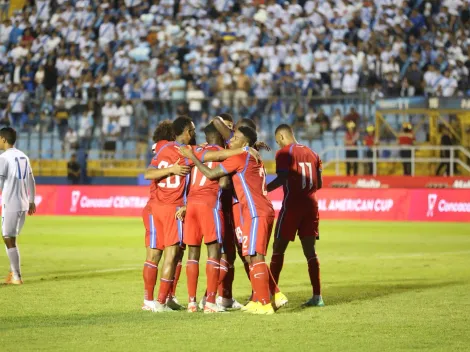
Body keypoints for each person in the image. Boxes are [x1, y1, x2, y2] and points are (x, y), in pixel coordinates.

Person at [179, 126, 277, 315]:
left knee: (253, 256)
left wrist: (192, 157)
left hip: (254, 210)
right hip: (249, 209)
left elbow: (212, 174)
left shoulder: (222, 153)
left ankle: (263, 301)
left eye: (235, 138)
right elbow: (221, 177)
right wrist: (248, 147)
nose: (230, 140)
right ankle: (258, 300)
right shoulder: (244, 154)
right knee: (247, 255)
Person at [267, 124, 324, 307]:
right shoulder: (314, 154)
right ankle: (317, 297)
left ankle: (270, 296)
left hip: (293, 206)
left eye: (278, 142)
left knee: (278, 247)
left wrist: (264, 189)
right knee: (310, 251)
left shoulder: (284, 153)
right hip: (312, 205)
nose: (278, 145)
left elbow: (282, 178)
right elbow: (320, 183)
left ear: (282, 137)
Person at [176, 123, 231, 313]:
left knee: (193, 253)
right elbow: (223, 183)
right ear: (219, 136)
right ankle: (210, 302)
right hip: (210, 205)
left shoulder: (196, 150)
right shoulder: (222, 154)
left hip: (191, 205)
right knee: (214, 252)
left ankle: (191, 302)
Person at [141, 120, 191, 312]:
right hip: (170, 207)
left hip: (154, 207)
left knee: (155, 255)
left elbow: (149, 172)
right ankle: (164, 298)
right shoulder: (177, 149)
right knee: (174, 254)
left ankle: (150, 300)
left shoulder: (160, 148)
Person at [0, 127, 36, 285]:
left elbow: (0, 181)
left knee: (8, 238)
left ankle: (16, 276)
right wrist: (32, 200)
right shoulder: (24, 156)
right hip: (23, 203)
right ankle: (13, 272)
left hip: (11, 202)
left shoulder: (4, 158)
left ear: (4, 139)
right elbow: (31, 180)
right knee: (11, 238)